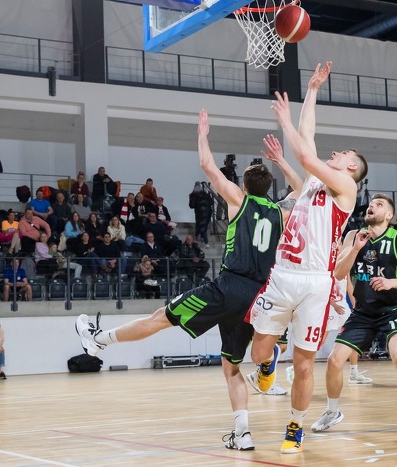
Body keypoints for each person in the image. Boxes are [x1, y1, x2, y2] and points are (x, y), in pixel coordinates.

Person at [75, 110, 295, 452]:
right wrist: (282, 161)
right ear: (270, 188)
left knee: (159, 318)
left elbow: (208, 166)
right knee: (231, 366)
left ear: (245, 186)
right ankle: (243, 434)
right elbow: (303, 192)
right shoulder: (282, 212)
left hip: (229, 286)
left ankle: (99, 340)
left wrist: (202, 135)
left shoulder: (239, 200)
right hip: (257, 296)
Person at [247, 62, 368, 454]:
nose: (335, 153)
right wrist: (312, 90)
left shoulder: (345, 185)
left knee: (303, 364)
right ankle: (267, 363)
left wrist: (284, 120)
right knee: (258, 351)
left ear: (352, 167)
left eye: (343, 153)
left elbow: (304, 150)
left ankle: (295, 425)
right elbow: (309, 136)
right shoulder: (318, 180)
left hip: (315, 282)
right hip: (283, 274)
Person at [310, 194, 397, 437]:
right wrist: (355, 249)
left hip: (392, 310)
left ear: (389, 215)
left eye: (379, 204)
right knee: (333, 360)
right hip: (362, 312)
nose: (372, 206)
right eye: (371, 203)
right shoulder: (353, 236)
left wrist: (391, 282)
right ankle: (332, 411)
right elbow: (338, 273)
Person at [189, 182, 213, 247]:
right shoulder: (205, 194)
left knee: (201, 227)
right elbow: (211, 202)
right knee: (204, 227)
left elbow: (191, 205)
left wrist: (190, 198)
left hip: (199, 213)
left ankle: (206, 242)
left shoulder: (193, 195)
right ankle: (202, 239)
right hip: (208, 213)